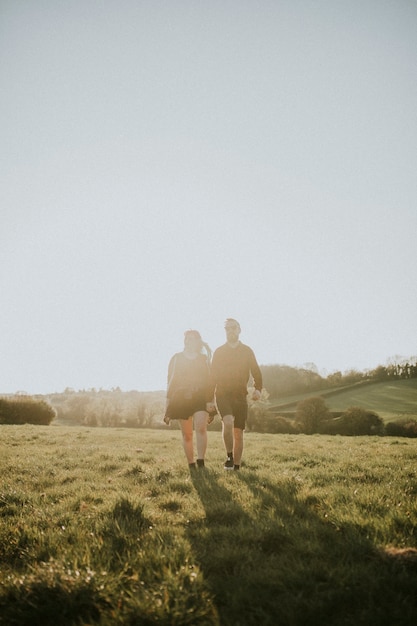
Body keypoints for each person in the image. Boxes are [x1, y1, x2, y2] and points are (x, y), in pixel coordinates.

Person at [208, 318, 262, 470]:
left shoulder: (247, 351)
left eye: (233, 328)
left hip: (240, 396)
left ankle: (236, 467)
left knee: (238, 433)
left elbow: (256, 371)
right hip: (223, 394)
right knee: (228, 421)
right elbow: (212, 377)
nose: (230, 331)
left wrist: (258, 388)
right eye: (227, 329)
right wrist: (209, 399)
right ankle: (229, 456)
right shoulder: (219, 352)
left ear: (239, 330)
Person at [164, 330, 213, 471]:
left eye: (193, 338)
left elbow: (210, 381)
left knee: (201, 427)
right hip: (181, 398)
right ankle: (191, 464)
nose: (189, 341)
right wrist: (167, 406)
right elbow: (170, 381)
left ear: (198, 341)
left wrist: (211, 400)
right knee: (187, 434)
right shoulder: (177, 358)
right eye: (187, 338)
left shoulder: (203, 359)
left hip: (200, 397)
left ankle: (201, 462)